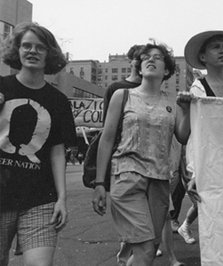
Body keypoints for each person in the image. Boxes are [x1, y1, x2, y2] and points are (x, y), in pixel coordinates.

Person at [92, 40, 191, 266]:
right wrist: (99, 183)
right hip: (127, 176)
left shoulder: (171, 102)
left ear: (166, 70)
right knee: (146, 248)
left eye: (157, 57)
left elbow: (183, 136)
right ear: (139, 66)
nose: (151, 60)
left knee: (147, 248)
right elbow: (106, 140)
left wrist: (186, 111)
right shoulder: (122, 96)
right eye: (146, 57)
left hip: (160, 180)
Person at [0, 22, 76, 266]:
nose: (32, 51)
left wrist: (62, 198)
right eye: (26, 46)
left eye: (39, 47)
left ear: (49, 53)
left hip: (40, 199)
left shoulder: (58, 101)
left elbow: (57, 152)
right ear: (17, 50)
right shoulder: (2, 87)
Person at [178, 30, 223, 245]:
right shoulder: (198, 88)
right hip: (211, 165)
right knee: (216, 225)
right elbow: (191, 135)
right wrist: (196, 172)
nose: (222, 50)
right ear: (203, 58)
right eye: (216, 47)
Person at [102, 44, 143, 121]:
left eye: (144, 59)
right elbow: (107, 122)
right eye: (138, 59)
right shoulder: (114, 89)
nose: (141, 62)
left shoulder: (152, 89)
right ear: (130, 61)